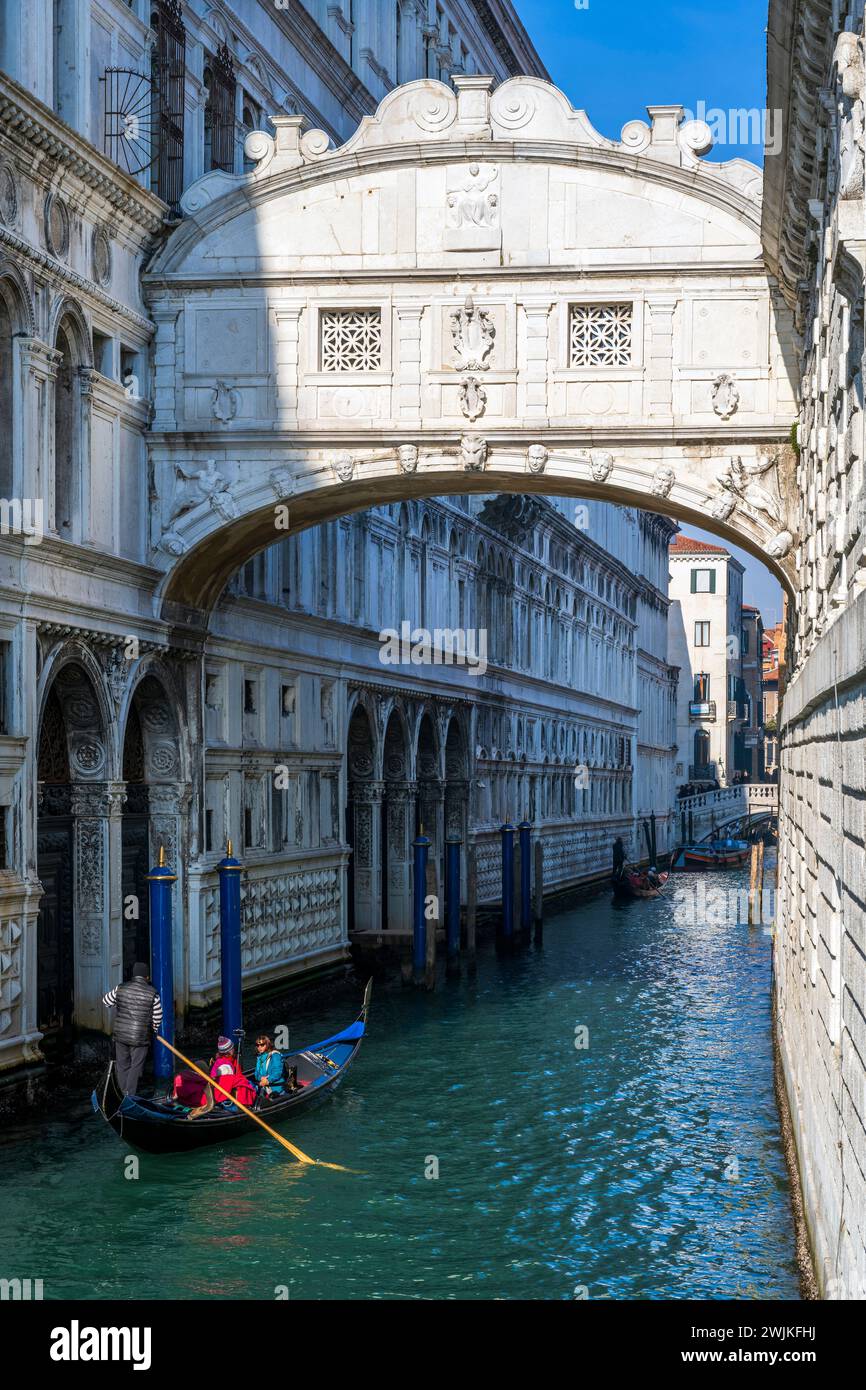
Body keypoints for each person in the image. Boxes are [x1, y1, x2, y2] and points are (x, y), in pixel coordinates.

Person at [102, 963, 163, 1097]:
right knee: (135, 1067)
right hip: (140, 1037)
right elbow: (158, 1016)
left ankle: (121, 1095)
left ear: (133, 975)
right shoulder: (153, 993)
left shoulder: (121, 988)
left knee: (122, 1066)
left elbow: (106, 1001)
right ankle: (129, 1096)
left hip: (121, 1035)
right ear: (147, 977)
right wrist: (153, 1029)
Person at [209, 1036, 257, 1108]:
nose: (234, 1049)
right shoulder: (226, 1065)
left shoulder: (220, 1060)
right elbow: (233, 1081)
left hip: (217, 1089)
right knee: (252, 1086)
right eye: (232, 1048)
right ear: (228, 1051)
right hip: (225, 1092)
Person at [254, 1035, 285, 1099]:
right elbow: (256, 1073)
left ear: (267, 1045)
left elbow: (277, 1072)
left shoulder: (275, 1055)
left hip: (276, 1087)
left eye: (262, 1045)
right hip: (263, 1087)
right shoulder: (259, 1057)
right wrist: (261, 1078)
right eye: (257, 1045)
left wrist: (268, 1080)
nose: (259, 1047)